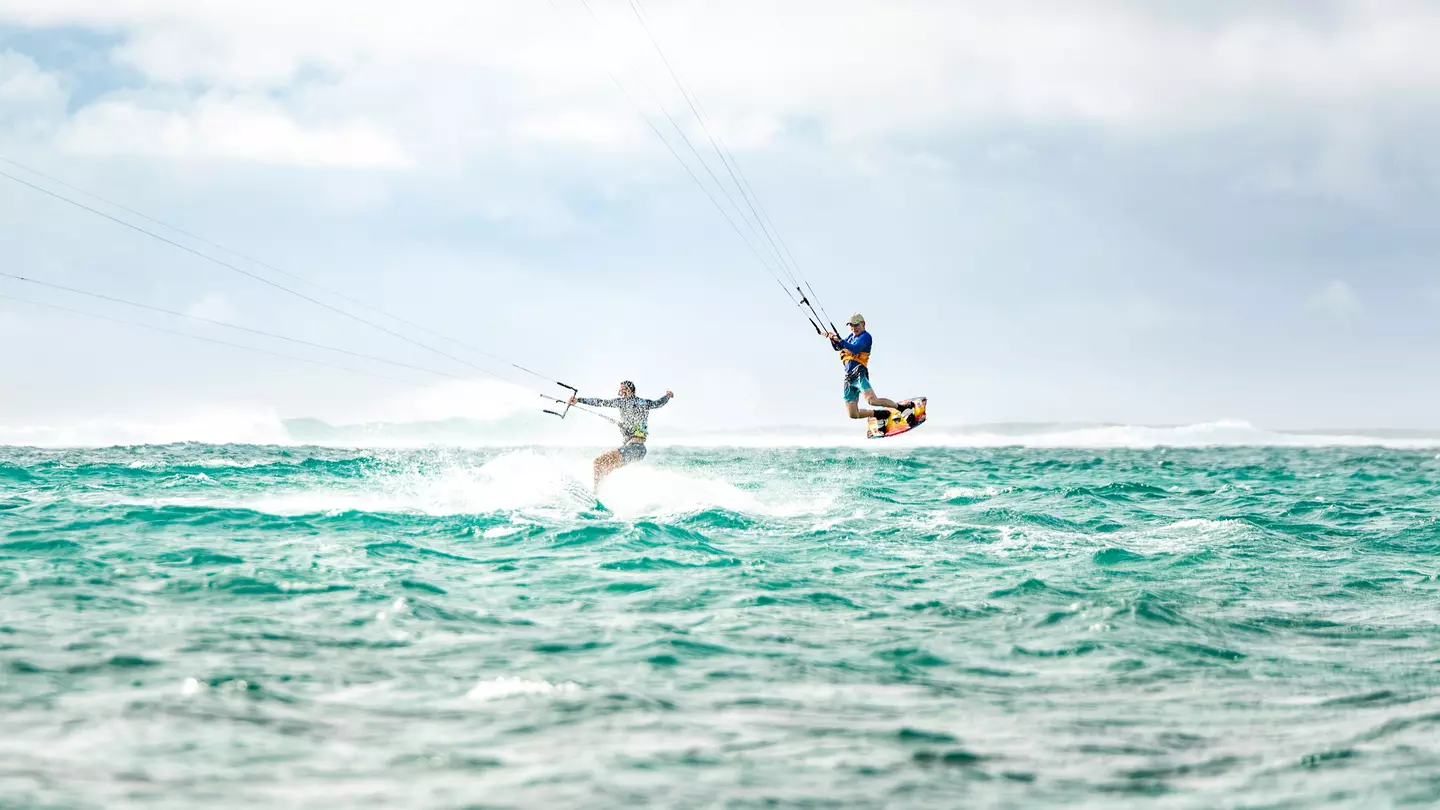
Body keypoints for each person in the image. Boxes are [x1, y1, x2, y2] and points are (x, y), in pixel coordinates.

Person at [569, 381, 673, 487]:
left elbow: (600, 402)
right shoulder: (644, 403)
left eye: (622, 389)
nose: (620, 392)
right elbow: (659, 403)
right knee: (605, 469)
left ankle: (596, 494)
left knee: (598, 463)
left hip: (633, 448)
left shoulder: (623, 402)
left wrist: (579, 400)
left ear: (629, 390)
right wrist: (667, 396)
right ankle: (601, 494)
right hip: (638, 450)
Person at [825, 313, 910, 422]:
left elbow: (855, 349)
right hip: (848, 377)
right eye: (851, 325)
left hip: (859, 372)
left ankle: (902, 408)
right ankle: (879, 414)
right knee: (852, 413)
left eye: (856, 325)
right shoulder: (851, 337)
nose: (853, 328)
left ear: (863, 324)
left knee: (872, 400)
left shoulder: (866, 336)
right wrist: (832, 339)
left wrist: (840, 340)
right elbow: (838, 347)